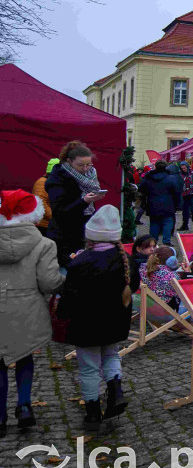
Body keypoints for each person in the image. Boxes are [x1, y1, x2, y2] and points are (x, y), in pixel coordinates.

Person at [58, 205, 140, 431]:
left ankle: (93, 413)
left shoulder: (80, 262)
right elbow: (133, 286)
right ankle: (116, 391)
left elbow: (69, 296)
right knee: (112, 355)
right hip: (115, 321)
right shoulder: (126, 260)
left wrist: (62, 314)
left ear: (90, 236)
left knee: (89, 368)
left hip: (86, 324)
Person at [0, 190, 62, 434]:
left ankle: (0, 416)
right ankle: (24, 405)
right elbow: (48, 282)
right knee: (25, 357)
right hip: (27, 308)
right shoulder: (44, 244)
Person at [45, 141, 106, 267]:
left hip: (83, 234)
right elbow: (59, 212)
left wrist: (92, 200)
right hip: (64, 236)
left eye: (88, 164)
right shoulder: (58, 179)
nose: (85, 168)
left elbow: (87, 209)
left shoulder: (90, 176)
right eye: (80, 165)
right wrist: (84, 201)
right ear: (69, 161)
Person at [139, 161, 183, 245]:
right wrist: (176, 204)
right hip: (168, 204)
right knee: (168, 222)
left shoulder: (149, 178)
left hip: (152, 204)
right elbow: (177, 192)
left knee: (154, 222)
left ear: (155, 167)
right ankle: (166, 240)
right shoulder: (170, 178)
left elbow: (141, 189)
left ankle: (153, 241)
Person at [32, 158, 59, 237]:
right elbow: (41, 203)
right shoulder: (42, 182)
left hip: (50, 224)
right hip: (43, 225)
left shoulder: (54, 182)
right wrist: (55, 216)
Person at [179, 163, 193, 232]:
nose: (184, 169)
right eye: (182, 168)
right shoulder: (180, 174)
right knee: (185, 211)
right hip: (184, 195)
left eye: (184, 168)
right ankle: (185, 225)